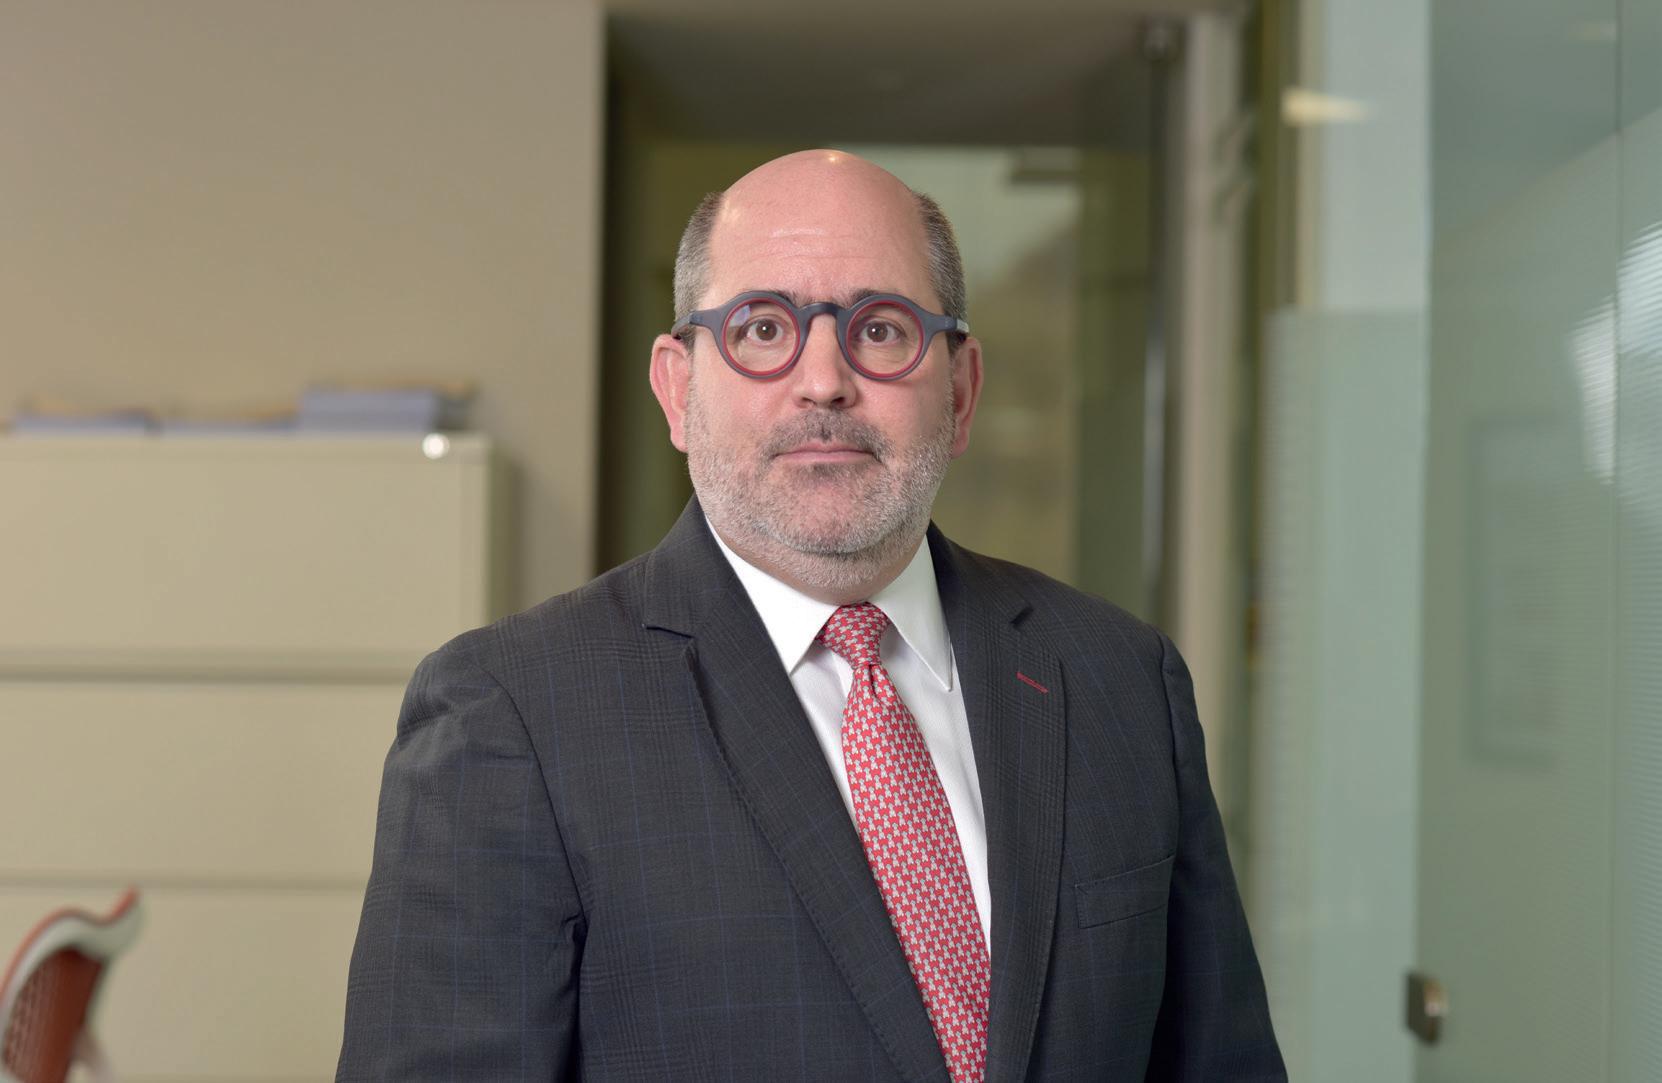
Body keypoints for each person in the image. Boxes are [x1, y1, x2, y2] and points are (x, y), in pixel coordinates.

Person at [336, 150, 1285, 1082]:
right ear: (677, 389)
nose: (824, 380)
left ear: (960, 391)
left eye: (881, 329)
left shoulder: (1121, 680)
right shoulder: (511, 714)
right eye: (761, 328)